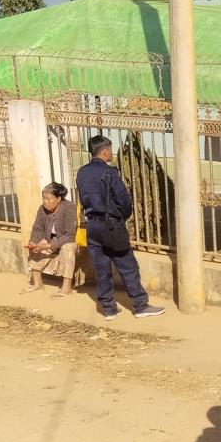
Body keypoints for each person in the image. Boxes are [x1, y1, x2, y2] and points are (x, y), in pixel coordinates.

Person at [76, 135, 163, 320]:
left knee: (102, 268)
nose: (111, 154)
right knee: (127, 266)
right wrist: (121, 218)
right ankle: (140, 306)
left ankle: (109, 309)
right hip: (111, 224)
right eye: (110, 151)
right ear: (105, 151)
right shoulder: (109, 173)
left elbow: (83, 198)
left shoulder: (81, 173)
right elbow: (124, 201)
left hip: (92, 225)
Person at [23, 182, 78, 298]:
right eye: (43, 198)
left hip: (65, 240)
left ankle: (66, 288)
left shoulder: (69, 207)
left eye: (48, 199)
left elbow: (69, 235)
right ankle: (38, 284)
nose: (45, 202)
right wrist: (33, 242)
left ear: (58, 199)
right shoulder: (42, 209)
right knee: (35, 246)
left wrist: (50, 246)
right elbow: (37, 228)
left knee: (68, 249)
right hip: (49, 238)